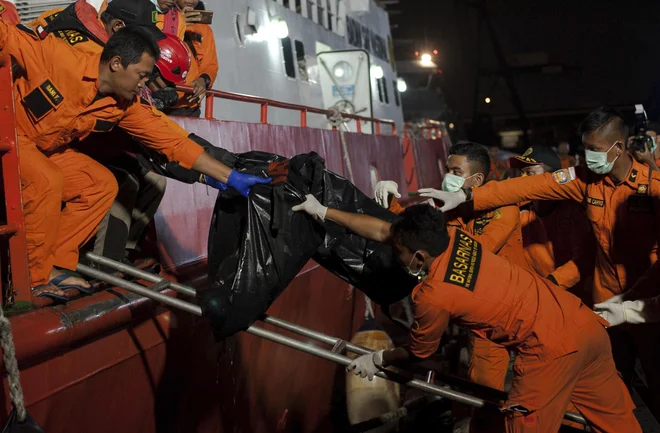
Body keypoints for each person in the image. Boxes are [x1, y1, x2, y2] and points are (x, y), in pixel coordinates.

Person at [292, 199, 640, 433]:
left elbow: (420, 356)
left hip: (551, 351)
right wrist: (324, 211)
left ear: (418, 257)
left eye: (399, 253)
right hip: (584, 325)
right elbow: (384, 231)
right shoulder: (459, 238)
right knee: (617, 423)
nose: (394, 256)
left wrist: (377, 359)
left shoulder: (434, 294)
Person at [1, 23, 269, 301]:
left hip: (43, 147)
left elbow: (175, 143)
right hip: (9, 134)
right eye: (141, 75)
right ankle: (32, 279)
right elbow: (8, 35)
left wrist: (231, 177)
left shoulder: (124, 106)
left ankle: (55, 263)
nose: (144, 83)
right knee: (47, 181)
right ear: (117, 64)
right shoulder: (57, 57)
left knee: (100, 184)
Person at [422, 106, 660, 418]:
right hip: (604, 309)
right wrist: (469, 196)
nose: (588, 156)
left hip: (648, 307)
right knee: (607, 392)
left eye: (595, 150)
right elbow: (527, 186)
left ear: (619, 147)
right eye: (585, 148)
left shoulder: (654, 188)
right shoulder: (585, 180)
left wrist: (633, 302)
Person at [377, 142, 529, 432]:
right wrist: (390, 203)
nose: (447, 175)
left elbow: (471, 252)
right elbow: (416, 234)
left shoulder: (502, 209)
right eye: (447, 169)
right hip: (483, 318)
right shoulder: (447, 207)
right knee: (479, 395)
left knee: (531, 395)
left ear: (477, 181)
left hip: (514, 309)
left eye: (456, 171)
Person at [508, 146, 594, 296]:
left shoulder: (574, 210)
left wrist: (551, 284)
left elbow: (584, 259)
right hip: (535, 296)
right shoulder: (519, 212)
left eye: (529, 173)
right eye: (521, 173)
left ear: (552, 177)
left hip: (574, 297)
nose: (522, 180)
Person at [165, 0, 218, 117]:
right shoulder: (159, 20)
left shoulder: (204, 29)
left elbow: (210, 64)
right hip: (160, 102)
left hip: (190, 107)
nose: (190, 0)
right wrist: (178, 24)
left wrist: (203, 81)